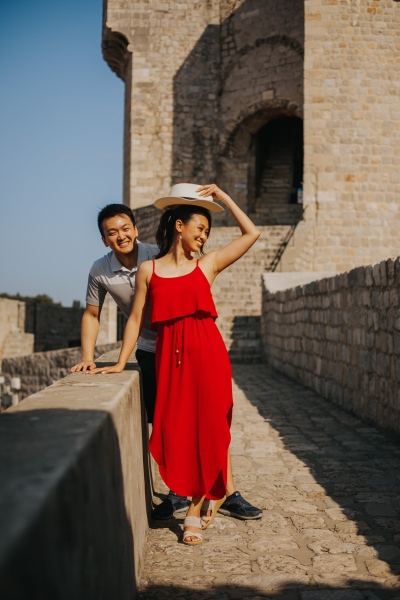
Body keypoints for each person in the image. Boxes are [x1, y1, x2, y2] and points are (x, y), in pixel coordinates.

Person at [71, 199, 262, 524]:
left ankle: (225, 492)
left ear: (136, 228)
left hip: (200, 349)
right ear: (104, 239)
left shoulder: (159, 253)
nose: (121, 235)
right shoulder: (104, 270)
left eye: (126, 228)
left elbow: (230, 239)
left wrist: (215, 200)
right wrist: (93, 358)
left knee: (210, 419)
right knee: (170, 421)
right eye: (112, 232)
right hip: (154, 350)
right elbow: (98, 314)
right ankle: (179, 487)